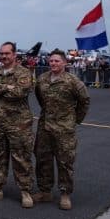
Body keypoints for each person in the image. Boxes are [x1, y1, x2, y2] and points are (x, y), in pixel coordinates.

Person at [0, 41, 35, 209]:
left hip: (19, 124)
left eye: (7, 53)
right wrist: (7, 86)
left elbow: (20, 92)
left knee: (21, 157)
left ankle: (25, 191)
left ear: (14, 55)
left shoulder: (23, 72)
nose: (3, 56)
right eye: (1, 54)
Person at [33, 49, 90, 210]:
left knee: (65, 162)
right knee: (42, 159)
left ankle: (65, 194)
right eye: (51, 61)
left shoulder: (73, 81)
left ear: (65, 63)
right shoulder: (42, 79)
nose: (53, 63)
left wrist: (75, 120)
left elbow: (84, 101)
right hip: (45, 127)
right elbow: (40, 98)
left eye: (57, 61)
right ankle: (45, 191)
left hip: (64, 129)